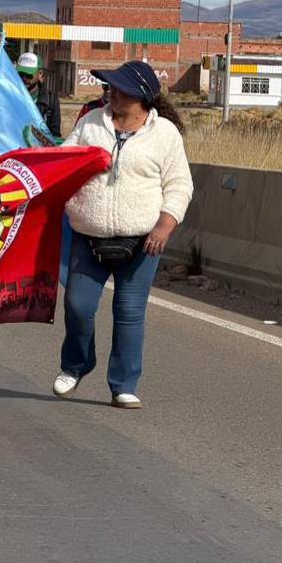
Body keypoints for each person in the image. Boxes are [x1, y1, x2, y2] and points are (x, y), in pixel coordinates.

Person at [54, 61, 192, 409]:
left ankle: (123, 384)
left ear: (141, 95)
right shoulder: (90, 124)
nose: (111, 92)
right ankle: (76, 364)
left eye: (119, 88)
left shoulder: (164, 135)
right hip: (89, 236)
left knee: (129, 313)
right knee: (78, 306)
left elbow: (179, 185)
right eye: (110, 87)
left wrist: (165, 225)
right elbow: (64, 163)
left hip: (142, 242)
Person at [17, 52, 61, 138]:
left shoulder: (51, 100)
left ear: (40, 74)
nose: (24, 78)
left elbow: (55, 135)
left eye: (29, 75)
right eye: (21, 74)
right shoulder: (11, 97)